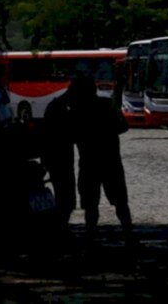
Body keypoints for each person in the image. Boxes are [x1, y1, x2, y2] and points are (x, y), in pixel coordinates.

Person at [70, 71, 136, 247]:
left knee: (91, 205)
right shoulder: (106, 106)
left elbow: (71, 136)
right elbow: (123, 127)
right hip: (110, 161)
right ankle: (128, 236)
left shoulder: (76, 112)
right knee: (120, 203)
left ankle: (90, 237)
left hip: (89, 163)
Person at [41, 83, 78, 237]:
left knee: (65, 197)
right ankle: (59, 228)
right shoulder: (59, 109)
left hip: (59, 159)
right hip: (59, 159)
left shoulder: (56, 106)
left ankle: (60, 227)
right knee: (66, 197)